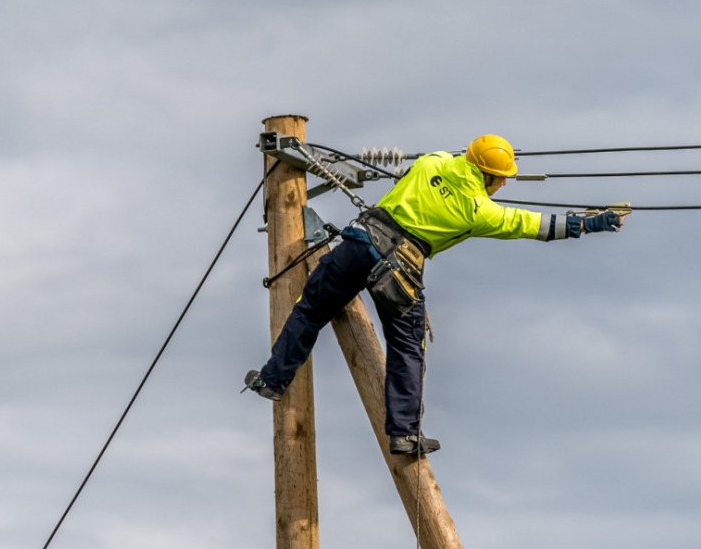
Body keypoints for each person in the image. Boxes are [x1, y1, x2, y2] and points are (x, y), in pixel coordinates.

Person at [243, 134, 625, 455]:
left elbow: (415, 174)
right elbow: (531, 224)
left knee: (310, 309)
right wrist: (587, 225)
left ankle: (272, 380)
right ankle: (405, 434)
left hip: (360, 241)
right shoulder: (479, 211)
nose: (505, 184)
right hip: (399, 267)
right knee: (408, 347)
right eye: (501, 178)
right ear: (487, 175)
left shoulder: (433, 161)